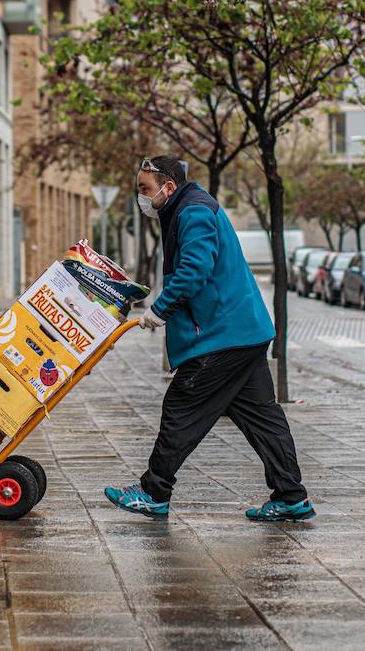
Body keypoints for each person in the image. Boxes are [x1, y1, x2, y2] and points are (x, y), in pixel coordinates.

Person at [104, 156, 315, 522]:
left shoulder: (193, 213)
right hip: (242, 332)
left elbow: (194, 270)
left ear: (168, 187)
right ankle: (291, 496)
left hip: (220, 336)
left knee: (181, 408)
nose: (141, 197)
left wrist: (160, 309)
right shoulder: (187, 208)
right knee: (262, 418)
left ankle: (154, 492)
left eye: (145, 189)